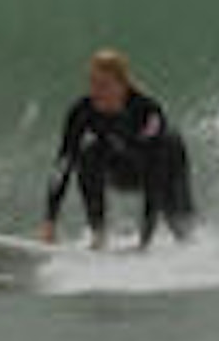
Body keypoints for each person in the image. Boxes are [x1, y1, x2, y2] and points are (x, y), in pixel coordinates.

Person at [42, 49, 195, 250]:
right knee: (87, 155)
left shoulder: (147, 113)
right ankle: (98, 235)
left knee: (179, 225)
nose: (96, 92)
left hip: (166, 169)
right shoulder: (82, 111)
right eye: (93, 84)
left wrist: (144, 243)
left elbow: (155, 176)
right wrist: (50, 220)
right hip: (122, 168)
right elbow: (62, 165)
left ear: (122, 85)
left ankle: (190, 249)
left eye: (103, 85)